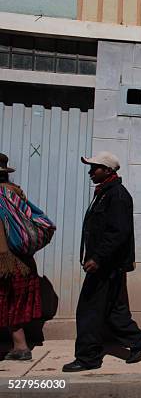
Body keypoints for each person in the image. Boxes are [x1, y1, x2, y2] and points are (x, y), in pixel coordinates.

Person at [62, 151, 141, 372]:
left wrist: (97, 258)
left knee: (89, 310)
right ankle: (138, 340)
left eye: (95, 168)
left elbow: (117, 233)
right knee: (113, 310)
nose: (91, 172)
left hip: (106, 266)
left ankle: (88, 358)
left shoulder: (117, 195)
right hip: (107, 264)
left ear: (108, 170)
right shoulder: (104, 193)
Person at [0, 153, 41, 361]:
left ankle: (21, 347)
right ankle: (20, 346)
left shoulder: (1, 197)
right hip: (23, 261)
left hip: (5, 261)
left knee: (6, 303)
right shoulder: (16, 194)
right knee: (12, 304)